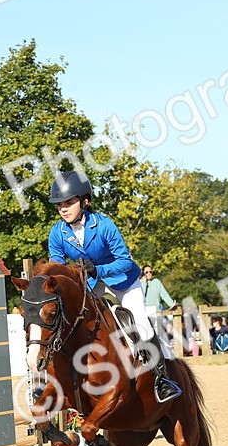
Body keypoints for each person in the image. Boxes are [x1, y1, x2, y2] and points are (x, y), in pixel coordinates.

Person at [46, 171, 181, 403]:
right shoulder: (58, 233)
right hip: (91, 284)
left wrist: (99, 270)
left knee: (140, 322)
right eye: (59, 205)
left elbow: (125, 261)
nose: (63, 209)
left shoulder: (104, 225)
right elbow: (58, 268)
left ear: (85, 202)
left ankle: (162, 379)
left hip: (122, 280)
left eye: (69, 203)